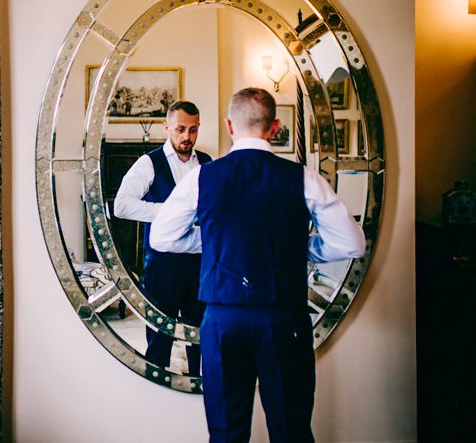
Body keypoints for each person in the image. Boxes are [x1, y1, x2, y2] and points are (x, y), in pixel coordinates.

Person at [151, 88, 365, 442]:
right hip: (284, 320)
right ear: (276, 126)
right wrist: (303, 250)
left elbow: (162, 237)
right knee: (291, 431)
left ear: (229, 125)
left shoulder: (203, 177)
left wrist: (215, 243)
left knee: (226, 434)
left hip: (223, 321)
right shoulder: (304, 179)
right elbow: (352, 244)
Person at [113, 100, 212, 375]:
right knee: (160, 334)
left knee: (201, 334)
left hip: (200, 262)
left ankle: (197, 386)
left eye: (193, 130)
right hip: (162, 265)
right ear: (166, 126)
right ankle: (156, 387)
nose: (187, 137)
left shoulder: (206, 163)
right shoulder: (149, 162)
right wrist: (169, 213)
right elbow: (121, 205)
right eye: (180, 129)